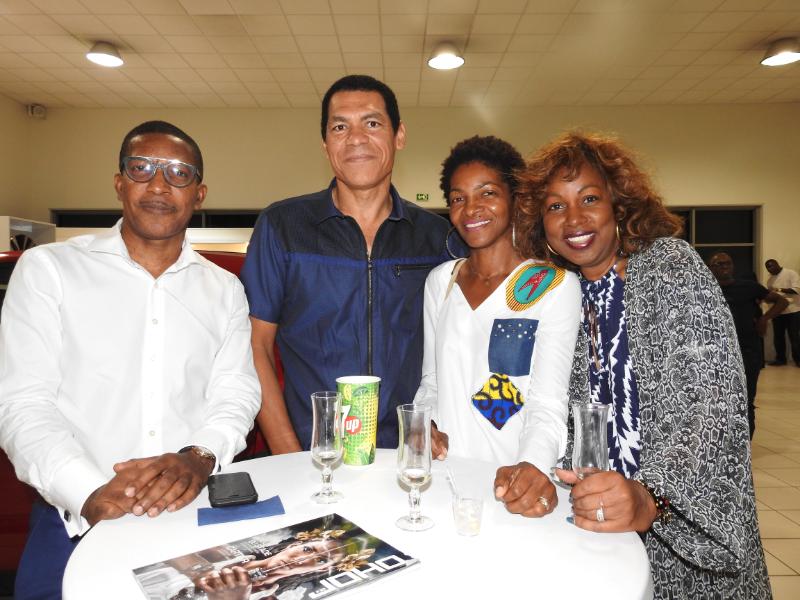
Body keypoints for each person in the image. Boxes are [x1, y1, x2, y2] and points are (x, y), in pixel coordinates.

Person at [0, 120, 261, 600]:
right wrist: (89, 493)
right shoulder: (49, 270)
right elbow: (23, 403)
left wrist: (200, 455)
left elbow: (236, 392)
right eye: (142, 168)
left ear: (199, 194)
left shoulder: (224, 289)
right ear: (119, 183)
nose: (159, 185)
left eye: (178, 173)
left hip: (187, 516)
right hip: (74, 516)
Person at [515, 131, 771, 598]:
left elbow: (711, 408)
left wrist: (652, 497)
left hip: (676, 532)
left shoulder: (669, 266)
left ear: (618, 204)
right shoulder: (559, 294)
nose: (574, 219)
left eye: (589, 198)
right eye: (555, 206)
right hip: (594, 525)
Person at [241, 75, 459, 453]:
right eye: (340, 127)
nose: (356, 138)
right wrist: (289, 454)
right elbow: (255, 344)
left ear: (399, 135)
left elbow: (458, 350)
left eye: (372, 123)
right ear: (325, 144)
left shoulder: (438, 237)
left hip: (408, 456)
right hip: (310, 454)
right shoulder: (282, 227)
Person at [412, 135, 580, 517]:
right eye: (458, 198)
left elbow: (548, 402)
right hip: (445, 480)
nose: (471, 208)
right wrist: (427, 423)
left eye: (487, 193)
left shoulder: (553, 286)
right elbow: (432, 382)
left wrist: (532, 466)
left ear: (516, 198)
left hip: (513, 486)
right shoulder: (441, 282)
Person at [709, 252, 787, 438]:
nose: (724, 267)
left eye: (727, 263)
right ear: (711, 268)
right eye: (719, 264)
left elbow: (781, 301)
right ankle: (723, 441)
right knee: (718, 401)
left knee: (746, 399)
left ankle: (745, 444)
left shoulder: (749, 287)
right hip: (717, 354)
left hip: (748, 352)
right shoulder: (705, 289)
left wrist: (764, 319)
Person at [765, 258, 800, 366]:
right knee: (778, 337)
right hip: (778, 312)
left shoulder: (791, 273)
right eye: (767, 268)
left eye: (771, 266)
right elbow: (772, 296)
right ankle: (780, 359)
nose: (769, 269)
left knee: (794, 337)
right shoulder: (770, 280)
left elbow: (796, 290)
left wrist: (779, 289)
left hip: (793, 311)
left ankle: (798, 360)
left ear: (777, 264)